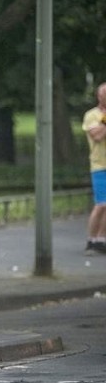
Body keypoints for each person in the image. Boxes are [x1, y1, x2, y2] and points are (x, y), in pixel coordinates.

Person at [82, 82, 106, 254]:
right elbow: (96, 136)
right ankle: (91, 239)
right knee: (101, 204)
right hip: (99, 165)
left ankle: (101, 239)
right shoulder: (91, 115)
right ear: (99, 96)